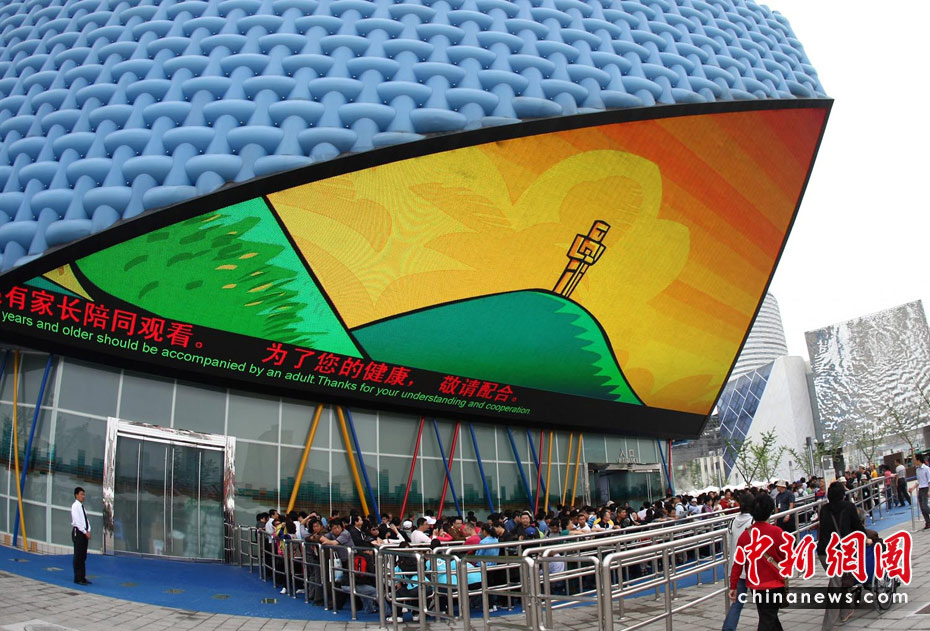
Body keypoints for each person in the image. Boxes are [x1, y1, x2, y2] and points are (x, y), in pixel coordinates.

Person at [729, 494, 787, 631]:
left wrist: (733, 585)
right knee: (768, 618)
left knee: (768, 615)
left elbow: (738, 563)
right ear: (770, 511)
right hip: (774, 582)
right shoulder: (776, 532)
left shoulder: (745, 535)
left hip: (755, 584)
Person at [817, 480, 867, 629]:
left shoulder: (823, 509)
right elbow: (857, 527)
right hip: (839, 553)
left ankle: (845, 612)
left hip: (824, 553)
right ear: (843, 494)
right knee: (835, 585)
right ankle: (827, 626)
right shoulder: (849, 507)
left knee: (838, 580)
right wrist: (866, 538)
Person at [722, 492, 754, 631]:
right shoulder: (754, 521)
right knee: (763, 604)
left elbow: (729, 546)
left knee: (737, 603)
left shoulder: (732, 522)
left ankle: (728, 629)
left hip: (737, 567)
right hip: (752, 568)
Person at [71, 486, 91, 585]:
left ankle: (83, 577)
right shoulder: (75, 506)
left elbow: (85, 520)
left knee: (83, 555)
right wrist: (84, 531)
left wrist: (89, 529)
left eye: (84, 494)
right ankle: (78, 577)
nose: (83, 496)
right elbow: (78, 521)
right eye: (81, 494)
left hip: (84, 532)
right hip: (79, 532)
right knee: (78, 555)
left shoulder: (82, 507)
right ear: (76, 495)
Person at [916, 454, 930, 529]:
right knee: (922, 507)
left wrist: (929, 491)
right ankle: (928, 522)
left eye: (915, 460)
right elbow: (918, 481)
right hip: (920, 489)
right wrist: (913, 487)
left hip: (925, 488)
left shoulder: (926, 468)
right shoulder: (917, 470)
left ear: (918, 460)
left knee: (925, 506)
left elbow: (929, 480)